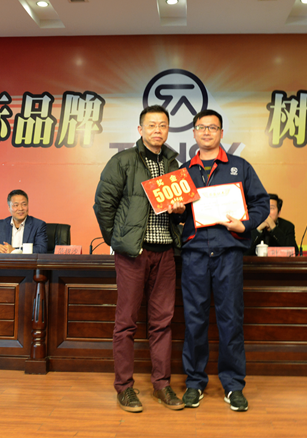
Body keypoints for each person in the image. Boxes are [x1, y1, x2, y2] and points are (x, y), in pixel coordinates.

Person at [93, 105, 185, 413]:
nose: (158, 130)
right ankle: (125, 388)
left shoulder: (173, 164)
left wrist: (181, 211)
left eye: (163, 125)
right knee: (126, 323)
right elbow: (103, 205)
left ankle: (162, 385)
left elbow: (182, 210)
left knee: (163, 322)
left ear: (168, 129)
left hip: (166, 253)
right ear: (140, 130)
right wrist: (118, 241)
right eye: (152, 125)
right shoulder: (123, 161)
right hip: (134, 253)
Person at [176, 109, 269, 412]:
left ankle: (233, 385)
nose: (206, 132)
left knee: (231, 320)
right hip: (195, 254)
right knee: (195, 321)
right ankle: (194, 382)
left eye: (212, 127)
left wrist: (245, 224)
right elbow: (175, 214)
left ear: (221, 133)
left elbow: (261, 203)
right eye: (201, 127)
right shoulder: (183, 171)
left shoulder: (239, 167)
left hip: (228, 253)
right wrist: (176, 211)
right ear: (194, 133)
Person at [0, 189, 48, 254]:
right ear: (9, 208)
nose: (20, 208)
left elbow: (42, 249)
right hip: (4, 262)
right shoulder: (0, 225)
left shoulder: (38, 225)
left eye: (24, 204)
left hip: (26, 262)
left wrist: (14, 250)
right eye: (16, 205)